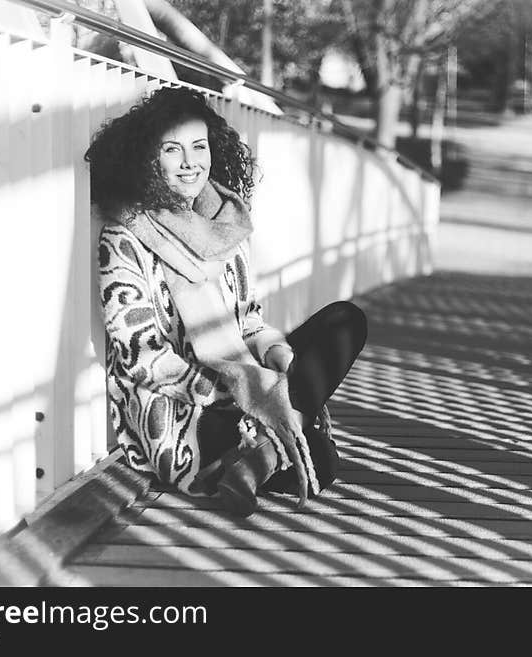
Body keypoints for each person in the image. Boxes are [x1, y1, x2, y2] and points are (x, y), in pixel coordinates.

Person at [85, 86, 367, 517]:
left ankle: (262, 457)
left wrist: (276, 354)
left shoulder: (225, 225)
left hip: (242, 389)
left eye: (199, 147)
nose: (189, 162)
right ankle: (266, 452)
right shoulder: (125, 236)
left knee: (345, 320)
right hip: (187, 412)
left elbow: (248, 321)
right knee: (319, 458)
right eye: (172, 150)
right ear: (147, 158)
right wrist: (237, 392)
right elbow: (142, 359)